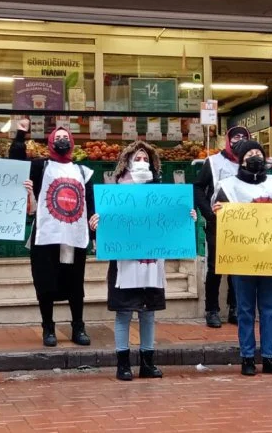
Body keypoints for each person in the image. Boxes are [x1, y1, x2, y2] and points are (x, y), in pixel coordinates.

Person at [90, 141, 197, 381]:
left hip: (151, 264)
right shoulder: (114, 194)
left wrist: (188, 216)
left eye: (146, 159)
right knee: (124, 313)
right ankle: (123, 364)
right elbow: (105, 228)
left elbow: (174, 222)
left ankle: (148, 362)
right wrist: (96, 226)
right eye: (137, 159)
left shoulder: (162, 193)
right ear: (127, 162)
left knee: (148, 313)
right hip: (125, 265)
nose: (141, 163)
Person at [10, 122, 94, 347]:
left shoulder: (82, 171)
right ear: (50, 142)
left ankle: (78, 325)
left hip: (73, 238)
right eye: (58, 137)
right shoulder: (40, 167)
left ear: (72, 142)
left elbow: (91, 205)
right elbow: (16, 162)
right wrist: (20, 134)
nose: (62, 140)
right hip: (46, 236)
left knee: (75, 283)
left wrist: (94, 234)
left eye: (65, 136)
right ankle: (48, 326)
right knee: (45, 282)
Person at [213, 140, 272, 377]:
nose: (255, 156)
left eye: (259, 152)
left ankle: (270, 356)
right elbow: (218, 214)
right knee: (245, 309)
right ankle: (247, 357)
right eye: (250, 153)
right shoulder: (228, 186)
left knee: (270, 309)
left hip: (271, 255)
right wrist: (217, 211)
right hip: (242, 256)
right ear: (240, 159)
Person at [194, 125, 249, 328]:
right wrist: (208, 214)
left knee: (238, 266)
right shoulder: (214, 162)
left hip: (243, 225)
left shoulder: (249, 163)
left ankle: (234, 307)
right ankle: (212, 310)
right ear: (228, 140)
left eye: (244, 137)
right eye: (235, 137)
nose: (239, 140)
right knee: (215, 268)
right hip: (217, 222)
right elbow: (198, 187)